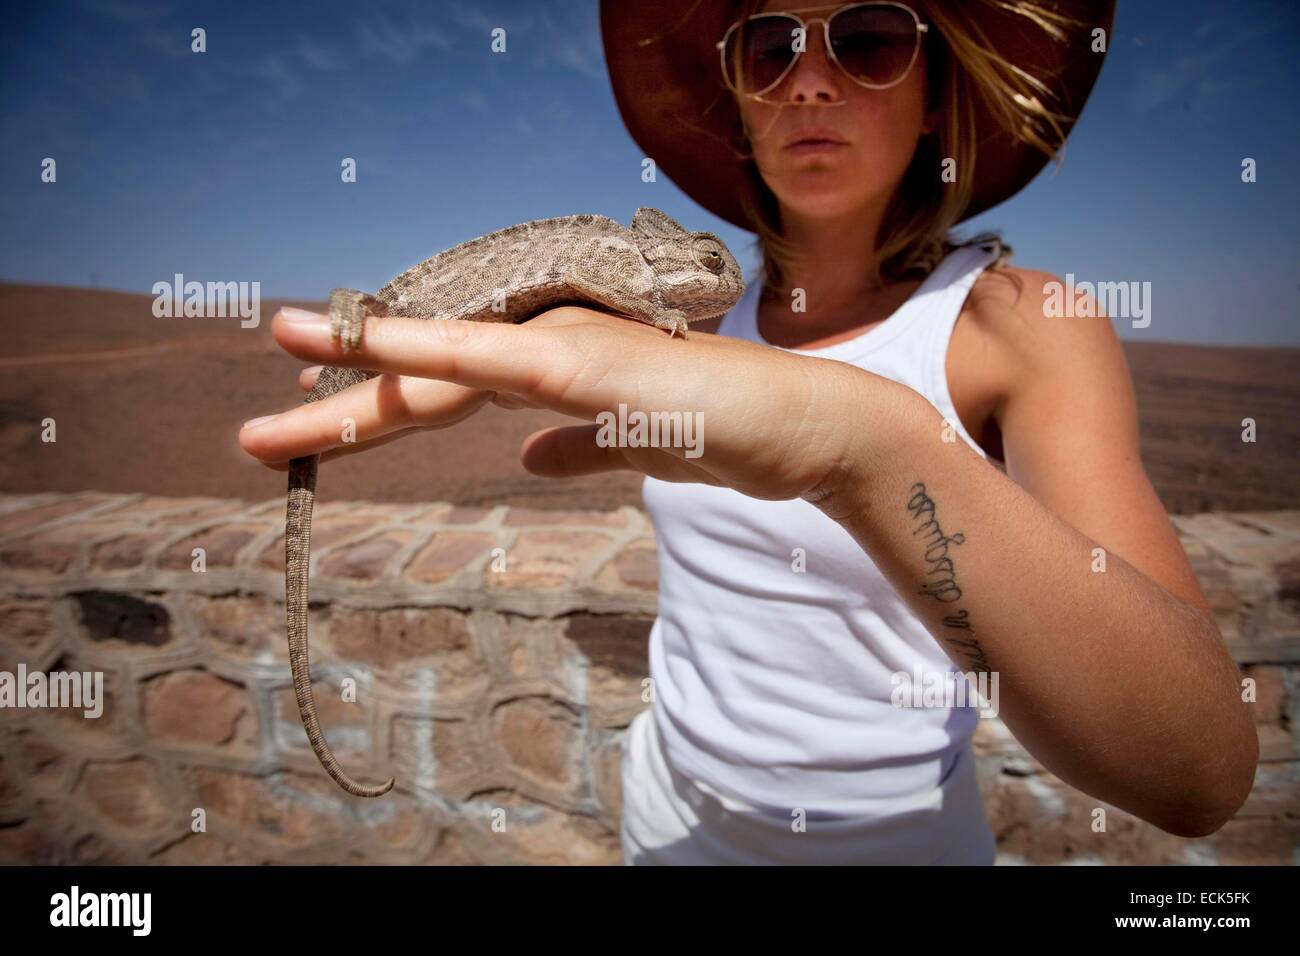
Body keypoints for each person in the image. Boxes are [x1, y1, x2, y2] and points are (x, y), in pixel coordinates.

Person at [240, 0, 1257, 865]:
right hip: (669, 816)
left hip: (895, 843)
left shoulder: (1014, 323)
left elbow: (1195, 769)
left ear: (936, 90)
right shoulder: (673, 328)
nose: (808, 83)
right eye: (769, 49)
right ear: (736, 98)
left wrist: (865, 446)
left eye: (866, 39)